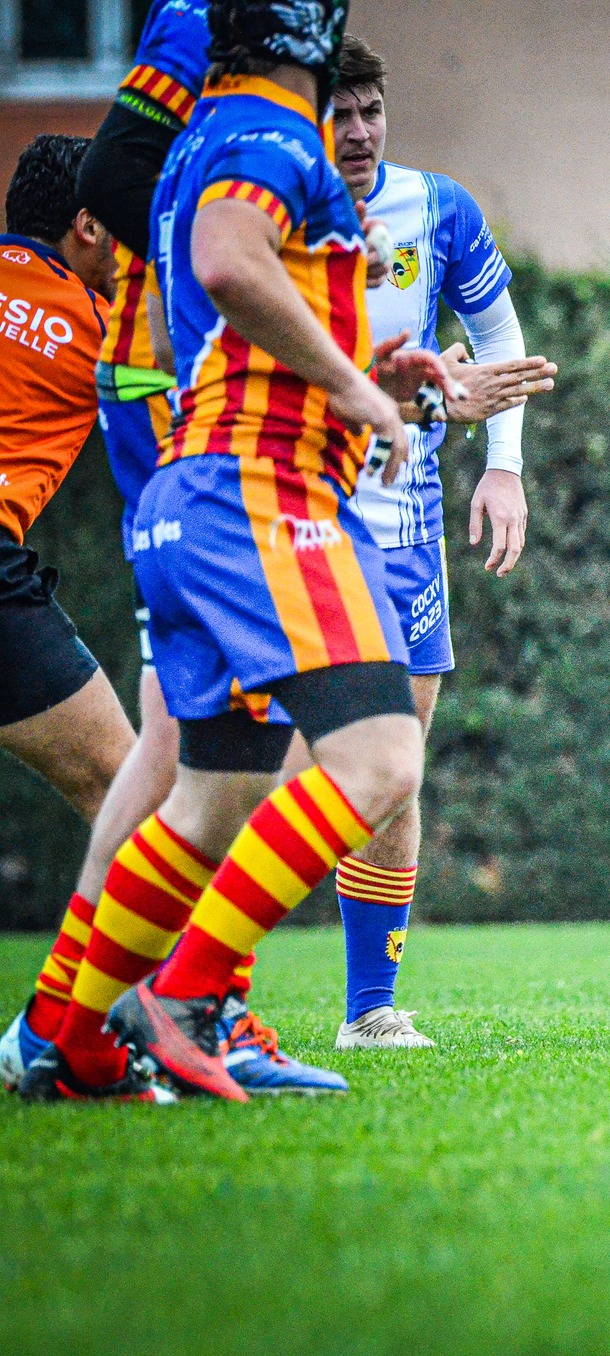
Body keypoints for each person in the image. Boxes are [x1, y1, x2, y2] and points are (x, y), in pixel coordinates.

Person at [20, 0, 453, 1103]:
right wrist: (359, 391)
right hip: (259, 497)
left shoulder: (198, 139)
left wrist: (364, 378)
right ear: (315, 33)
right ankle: (192, 993)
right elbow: (224, 266)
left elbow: (201, 317)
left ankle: (71, 1040)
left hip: (191, 489)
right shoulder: (268, 133)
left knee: (209, 801)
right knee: (381, 759)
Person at [309, 34, 556, 1050]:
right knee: (288, 765)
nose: (359, 131)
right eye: (340, 111)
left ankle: (370, 1010)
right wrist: (428, 395)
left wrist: (503, 462)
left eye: (372, 109)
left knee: (397, 768)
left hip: (405, 530)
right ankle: (199, 986)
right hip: (302, 516)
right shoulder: (263, 208)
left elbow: (498, 339)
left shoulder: (437, 208)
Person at [0, 136, 125, 833]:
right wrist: (390, 396)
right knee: (124, 789)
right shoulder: (100, 333)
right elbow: (225, 393)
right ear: (88, 225)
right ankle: (201, 951)